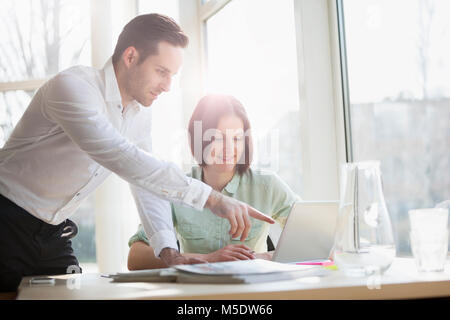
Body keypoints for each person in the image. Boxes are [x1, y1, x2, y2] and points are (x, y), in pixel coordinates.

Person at [0, 14, 274, 292]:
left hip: (54, 233)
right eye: (162, 72)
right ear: (131, 57)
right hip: (7, 220)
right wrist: (211, 198)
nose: (168, 85)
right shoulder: (73, 87)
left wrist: (170, 254)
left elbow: (146, 184)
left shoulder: (139, 115)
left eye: (173, 76)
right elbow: (120, 156)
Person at [127, 94, 301, 270]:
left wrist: (264, 257)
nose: (229, 148)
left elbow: (313, 240)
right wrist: (209, 258)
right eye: (218, 138)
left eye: (237, 138)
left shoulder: (267, 185)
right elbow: (135, 258)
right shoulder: (178, 188)